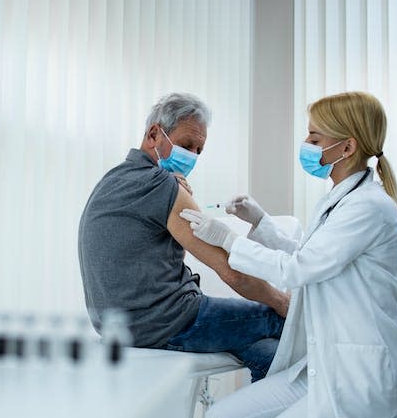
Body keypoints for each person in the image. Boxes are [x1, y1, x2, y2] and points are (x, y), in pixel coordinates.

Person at [180, 91, 397, 418]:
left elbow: (301, 269)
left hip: (356, 379)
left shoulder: (369, 207)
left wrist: (231, 241)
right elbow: (312, 254)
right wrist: (260, 222)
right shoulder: (340, 201)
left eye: (314, 136)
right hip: (323, 366)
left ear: (347, 146)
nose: (307, 145)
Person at [77, 92, 290, 382]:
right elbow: (231, 271)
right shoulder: (162, 184)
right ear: (154, 134)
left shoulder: (112, 180)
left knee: (265, 351)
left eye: (199, 151)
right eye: (186, 145)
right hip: (167, 322)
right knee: (283, 321)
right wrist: (282, 301)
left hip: (116, 326)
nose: (192, 157)